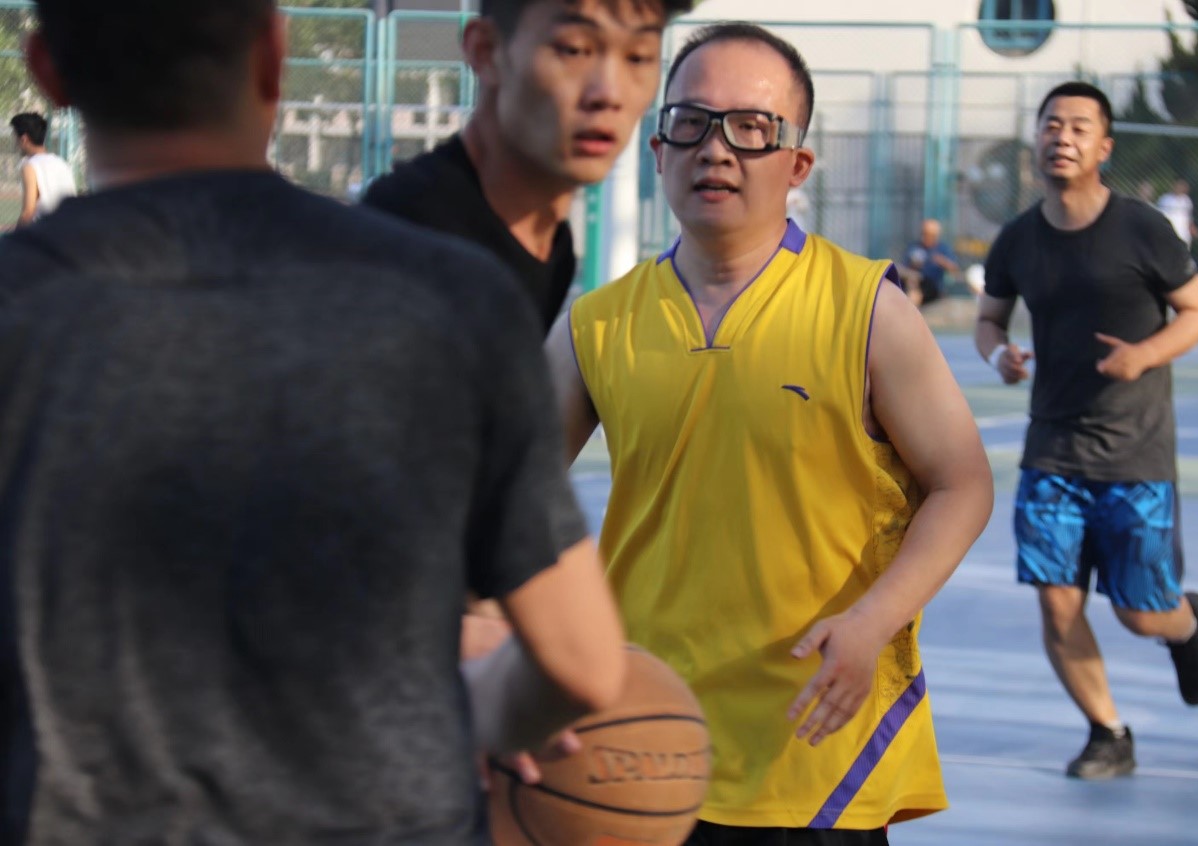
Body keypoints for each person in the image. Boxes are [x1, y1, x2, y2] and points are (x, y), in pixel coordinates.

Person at [0, 1, 628, 843]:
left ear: (46, 71)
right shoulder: (450, 297)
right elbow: (582, 664)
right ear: (274, 55)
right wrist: (480, 707)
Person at [547, 23, 994, 844]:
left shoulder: (866, 309)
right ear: (658, 150)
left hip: (814, 745)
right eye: (691, 122)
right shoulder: (595, 326)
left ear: (796, 165)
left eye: (751, 128)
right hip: (642, 740)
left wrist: (874, 621)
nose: (716, 149)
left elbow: (961, 485)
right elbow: (505, 496)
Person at [976, 81, 1198, 782]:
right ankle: (1107, 732)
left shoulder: (1142, 228)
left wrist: (1143, 355)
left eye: (1079, 127)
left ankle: (1186, 623)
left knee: (1140, 615)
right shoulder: (1017, 238)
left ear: (1103, 147)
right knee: (1057, 607)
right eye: (1051, 124)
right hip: (1050, 452)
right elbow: (989, 319)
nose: (1062, 136)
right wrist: (999, 356)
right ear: (1036, 139)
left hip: (1134, 454)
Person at [363, 0, 694, 334]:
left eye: (638, 56)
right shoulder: (404, 242)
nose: (609, 93)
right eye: (574, 49)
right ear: (485, 50)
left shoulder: (551, 244)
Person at [8, 112, 76, 226]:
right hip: (70, 231)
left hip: (47, 233)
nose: (15, 143)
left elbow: (28, 213)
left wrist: (14, 236)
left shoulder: (30, 166)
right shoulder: (62, 163)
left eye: (15, 138)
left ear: (24, 139)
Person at [901, 218, 958, 307]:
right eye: (925, 234)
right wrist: (913, 265)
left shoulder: (943, 249)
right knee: (912, 288)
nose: (927, 237)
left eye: (931, 235)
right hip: (915, 284)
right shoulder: (914, 247)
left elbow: (954, 269)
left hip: (933, 288)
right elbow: (903, 267)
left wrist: (942, 261)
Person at [1157, 177, 1197, 248]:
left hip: (1183, 234)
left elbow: (1189, 217)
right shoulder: (1164, 199)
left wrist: (1192, 227)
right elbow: (1159, 216)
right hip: (1168, 233)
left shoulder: (1187, 201)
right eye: (1178, 186)